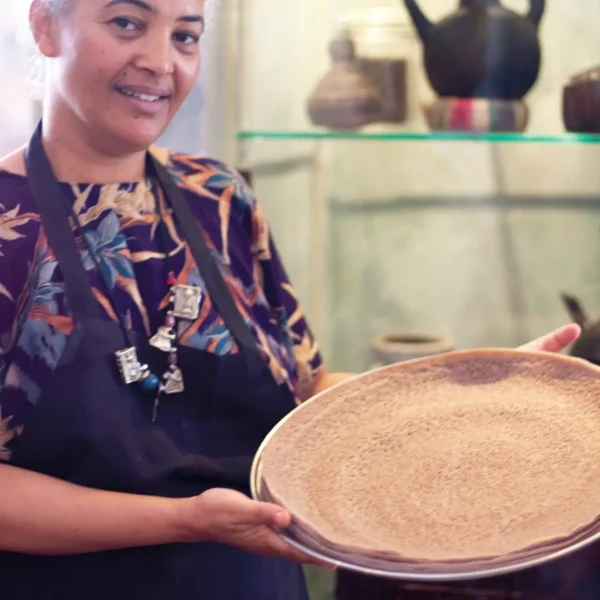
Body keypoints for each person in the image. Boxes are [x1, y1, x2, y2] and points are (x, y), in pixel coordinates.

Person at [0, 0, 582, 598]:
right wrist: (185, 520)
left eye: (185, 36)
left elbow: (306, 388)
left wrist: (481, 398)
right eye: (127, 23)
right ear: (45, 26)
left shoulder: (219, 197)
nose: (159, 62)